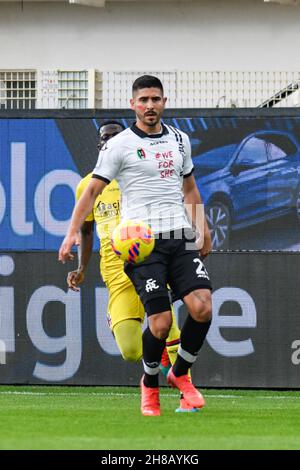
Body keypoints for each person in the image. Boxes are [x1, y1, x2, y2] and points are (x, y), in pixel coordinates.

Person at [59, 75, 212, 417]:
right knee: (158, 325)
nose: (150, 105)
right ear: (134, 105)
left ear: (164, 102)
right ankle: (149, 384)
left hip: (179, 236)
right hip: (142, 244)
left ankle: (180, 374)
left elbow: (189, 189)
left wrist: (203, 226)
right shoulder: (120, 145)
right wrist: (71, 232)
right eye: (143, 100)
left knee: (202, 307)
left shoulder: (179, 140)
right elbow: (92, 191)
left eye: (155, 99)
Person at [67, 120, 187, 409]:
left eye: (115, 137)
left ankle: (186, 393)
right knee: (131, 351)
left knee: (168, 324)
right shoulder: (88, 184)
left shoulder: (143, 176)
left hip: (150, 260)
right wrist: (82, 268)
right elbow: (85, 229)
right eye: (105, 138)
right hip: (115, 270)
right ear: (100, 145)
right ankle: (146, 344)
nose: (110, 142)